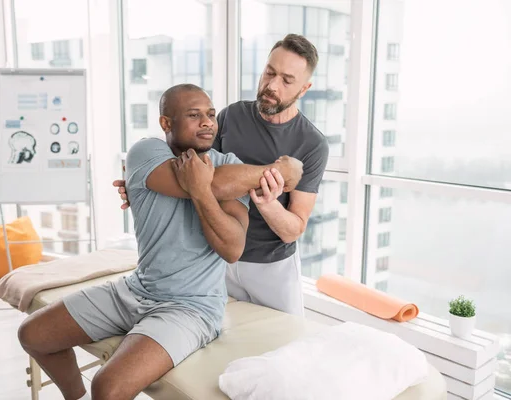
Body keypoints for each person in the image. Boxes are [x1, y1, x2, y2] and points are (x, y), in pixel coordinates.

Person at [17, 83, 303, 400]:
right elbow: (199, 182)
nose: (208, 122)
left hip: (192, 307)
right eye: (194, 115)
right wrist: (278, 170)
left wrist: (201, 190)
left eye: (210, 114)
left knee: (108, 387)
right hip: (137, 288)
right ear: (166, 123)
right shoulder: (146, 152)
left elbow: (232, 249)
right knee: (33, 334)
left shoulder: (228, 164)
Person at [114, 34, 329, 317]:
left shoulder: (312, 144)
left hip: (271, 267)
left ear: (304, 89)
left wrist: (266, 203)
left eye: (287, 80)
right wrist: (144, 182)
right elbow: (195, 176)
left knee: (285, 352)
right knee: (218, 352)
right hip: (215, 258)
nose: (272, 85)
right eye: (270, 72)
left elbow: (293, 229)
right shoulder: (232, 116)